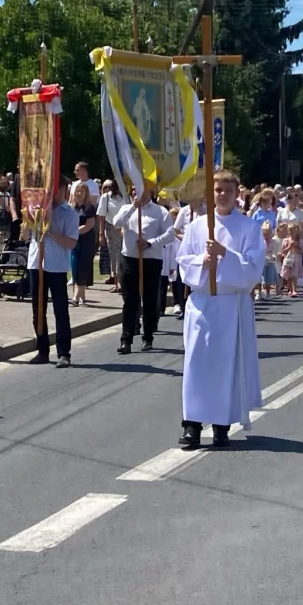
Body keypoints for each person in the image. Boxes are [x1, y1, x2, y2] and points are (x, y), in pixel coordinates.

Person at [176, 170, 266, 448]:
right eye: (217, 190)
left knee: (227, 365)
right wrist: (203, 260)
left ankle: (221, 425)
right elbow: (183, 262)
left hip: (231, 305)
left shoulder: (249, 227)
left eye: (227, 190)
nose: (222, 195)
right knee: (197, 364)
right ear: (210, 193)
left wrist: (225, 254)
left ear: (237, 193)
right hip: (203, 303)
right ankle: (192, 423)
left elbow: (253, 268)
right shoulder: (197, 226)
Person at [113, 187, 176, 353]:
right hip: (129, 259)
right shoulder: (126, 208)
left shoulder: (160, 211)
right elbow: (116, 223)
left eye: (139, 190)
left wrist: (150, 243)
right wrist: (134, 207)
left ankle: (148, 336)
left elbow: (170, 234)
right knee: (130, 300)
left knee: (149, 299)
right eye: (133, 190)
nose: (135, 193)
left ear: (150, 192)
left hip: (151, 260)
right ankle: (126, 339)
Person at [24, 183, 78, 368]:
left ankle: (64, 353)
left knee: (60, 310)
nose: (53, 194)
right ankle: (42, 350)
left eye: (57, 190)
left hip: (56, 266)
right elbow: (25, 235)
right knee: (38, 310)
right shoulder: (37, 208)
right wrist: (29, 218)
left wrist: (50, 232)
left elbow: (71, 242)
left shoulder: (70, 213)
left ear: (64, 190)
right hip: (35, 264)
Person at [69, 184, 97, 306]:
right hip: (74, 240)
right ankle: (82, 297)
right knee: (75, 266)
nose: (79, 193)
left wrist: (74, 231)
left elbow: (89, 225)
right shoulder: (71, 207)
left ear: (86, 193)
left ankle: (76, 297)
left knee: (83, 267)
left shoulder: (89, 208)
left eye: (82, 191)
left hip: (86, 240)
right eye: (78, 191)